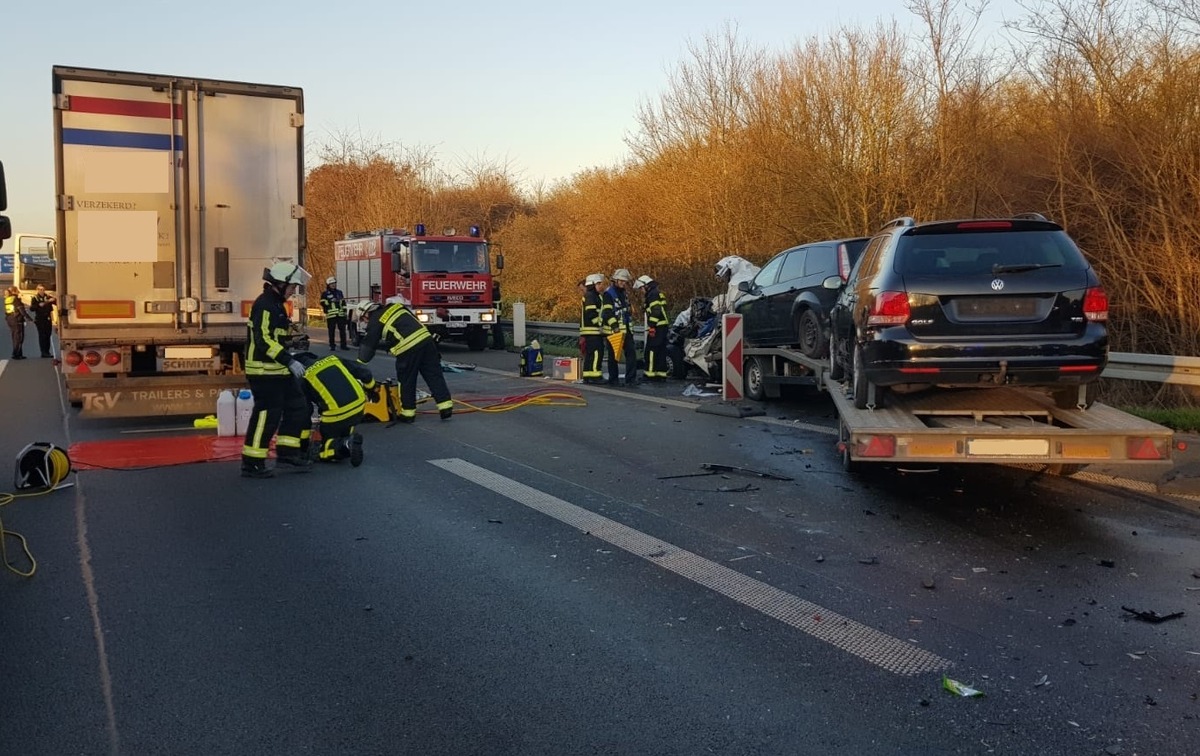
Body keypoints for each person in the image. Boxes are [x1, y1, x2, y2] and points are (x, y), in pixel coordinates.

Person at [241, 262, 314, 479]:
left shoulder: (276, 304)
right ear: (280, 284)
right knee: (266, 416)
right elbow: (263, 339)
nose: (293, 291)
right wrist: (288, 360)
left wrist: (291, 344)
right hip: (264, 372)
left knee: (298, 408)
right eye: (292, 286)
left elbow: (274, 337)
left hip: (278, 370)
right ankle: (252, 463)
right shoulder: (264, 304)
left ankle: (288, 454)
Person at [354, 300, 454, 423]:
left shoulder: (375, 320)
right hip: (427, 342)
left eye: (363, 319)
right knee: (434, 374)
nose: (365, 322)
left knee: (407, 380)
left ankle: (408, 413)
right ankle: (445, 407)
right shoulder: (395, 307)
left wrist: (359, 365)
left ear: (366, 313)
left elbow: (368, 345)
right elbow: (411, 322)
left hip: (408, 348)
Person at [291, 351, 374, 467]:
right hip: (359, 405)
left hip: (337, 413)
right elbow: (364, 372)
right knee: (343, 428)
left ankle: (346, 444)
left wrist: (303, 444)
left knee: (325, 451)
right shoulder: (332, 358)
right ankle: (347, 437)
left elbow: (304, 412)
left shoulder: (302, 376)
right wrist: (372, 388)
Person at [603, 268, 639, 387]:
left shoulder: (624, 293)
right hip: (614, 331)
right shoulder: (608, 294)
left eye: (625, 281)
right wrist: (615, 326)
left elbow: (626, 311)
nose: (624, 283)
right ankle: (613, 380)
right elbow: (607, 312)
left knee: (631, 354)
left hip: (626, 330)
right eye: (622, 281)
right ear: (616, 280)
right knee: (613, 356)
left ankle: (631, 379)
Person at [633, 274, 670, 381]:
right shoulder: (657, 293)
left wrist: (652, 326)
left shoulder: (652, 295)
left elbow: (656, 310)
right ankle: (660, 375)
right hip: (663, 326)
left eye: (641, 288)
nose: (641, 291)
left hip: (657, 326)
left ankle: (650, 374)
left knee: (651, 350)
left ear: (646, 286)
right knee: (661, 351)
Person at [579, 273, 606, 384]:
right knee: (596, 353)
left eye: (601, 283)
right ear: (592, 284)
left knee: (592, 353)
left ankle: (588, 376)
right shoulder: (590, 295)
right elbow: (591, 313)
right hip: (592, 330)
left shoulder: (596, 295)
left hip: (593, 331)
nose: (601, 286)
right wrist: (600, 325)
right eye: (598, 284)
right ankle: (595, 376)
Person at [319, 276, 349, 351]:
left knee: (342, 331)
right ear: (328, 285)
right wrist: (330, 301)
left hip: (340, 314)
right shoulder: (325, 293)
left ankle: (343, 345)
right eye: (332, 284)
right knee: (331, 331)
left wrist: (345, 312)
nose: (333, 285)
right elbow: (322, 302)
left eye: (334, 283)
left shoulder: (339, 292)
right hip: (331, 315)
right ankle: (332, 345)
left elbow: (343, 302)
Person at [28, 284, 57, 358]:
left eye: (43, 289)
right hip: (40, 318)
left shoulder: (47, 296)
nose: (42, 291)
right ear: (37, 290)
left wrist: (54, 299)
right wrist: (38, 305)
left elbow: (55, 302)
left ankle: (47, 351)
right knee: (42, 336)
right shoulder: (35, 298)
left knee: (48, 335)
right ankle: (43, 352)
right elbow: (31, 308)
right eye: (40, 289)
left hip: (48, 318)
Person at [4, 285, 32, 360]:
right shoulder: (16, 300)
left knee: (14, 337)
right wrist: (29, 319)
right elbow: (22, 311)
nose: (18, 292)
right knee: (19, 337)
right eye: (17, 290)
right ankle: (16, 353)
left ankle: (19, 354)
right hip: (17, 320)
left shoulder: (8, 299)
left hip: (10, 319)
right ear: (14, 291)